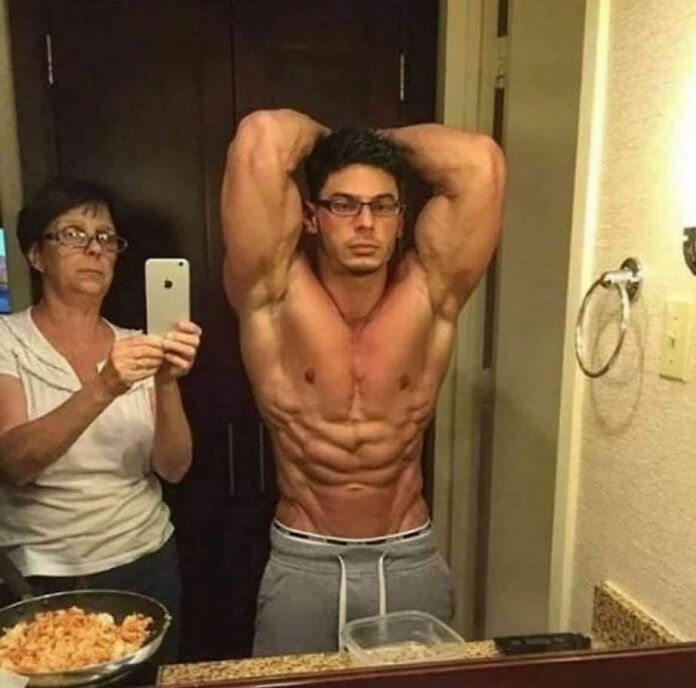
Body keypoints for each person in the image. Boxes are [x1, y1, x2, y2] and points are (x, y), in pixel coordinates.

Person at [221, 110, 504, 656]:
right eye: (344, 205)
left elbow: (480, 164)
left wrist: (376, 140)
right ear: (311, 217)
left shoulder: (431, 292)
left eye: (382, 205)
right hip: (306, 562)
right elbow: (261, 136)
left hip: (408, 559)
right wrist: (336, 141)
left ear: (401, 219)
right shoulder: (273, 293)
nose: (366, 223)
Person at [0, 178, 201, 664]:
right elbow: (16, 463)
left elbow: (174, 467)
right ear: (36, 255)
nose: (94, 249)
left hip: (145, 560)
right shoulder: (8, 341)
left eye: (106, 238)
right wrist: (105, 385)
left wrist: (167, 382)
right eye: (73, 234)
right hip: (44, 573)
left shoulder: (137, 344)